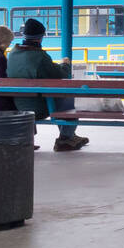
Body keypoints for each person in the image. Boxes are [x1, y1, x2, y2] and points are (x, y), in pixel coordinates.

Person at [8, 18, 89, 151]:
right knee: (70, 100)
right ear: (40, 38)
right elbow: (60, 74)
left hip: (19, 104)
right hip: (38, 106)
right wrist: (65, 64)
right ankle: (66, 138)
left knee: (62, 99)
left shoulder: (13, 54)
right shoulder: (39, 57)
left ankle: (69, 136)